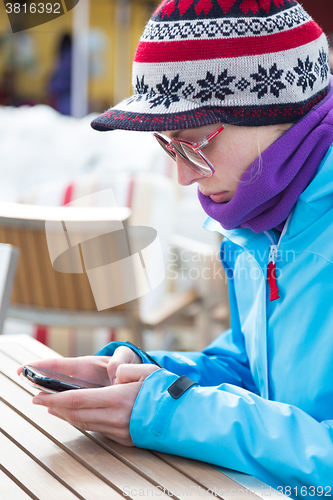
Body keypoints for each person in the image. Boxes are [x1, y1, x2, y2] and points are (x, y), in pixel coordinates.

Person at [18, 0, 333, 496]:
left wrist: (172, 412)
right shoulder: (261, 221)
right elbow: (254, 368)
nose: (184, 175)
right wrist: (142, 376)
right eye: (168, 146)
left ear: (280, 109)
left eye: (194, 142)